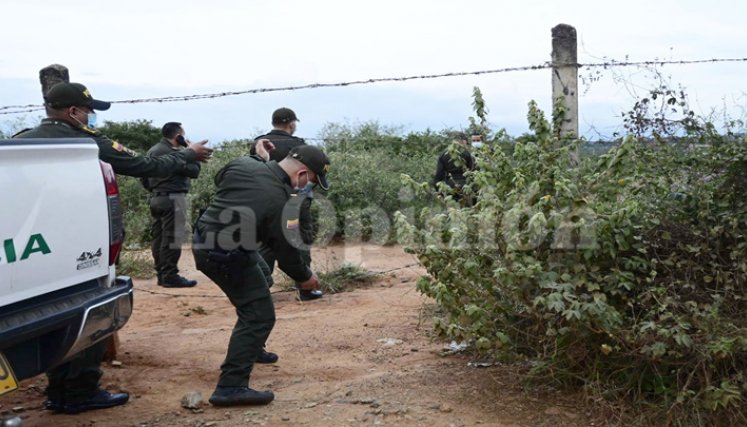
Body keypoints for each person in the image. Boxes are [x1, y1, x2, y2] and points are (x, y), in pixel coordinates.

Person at [13, 82, 213, 414]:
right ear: (73, 112)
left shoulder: (21, 141)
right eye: (89, 111)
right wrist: (188, 154)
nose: (92, 117)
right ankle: (77, 393)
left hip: (31, 250)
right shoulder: (87, 143)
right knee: (86, 314)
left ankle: (60, 391)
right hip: (79, 243)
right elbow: (147, 167)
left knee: (48, 312)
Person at [192, 143, 330, 407]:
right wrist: (305, 277)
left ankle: (251, 348)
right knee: (259, 315)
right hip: (225, 256)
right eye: (312, 180)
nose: (307, 186)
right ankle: (230, 387)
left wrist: (261, 159)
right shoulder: (282, 203)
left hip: (207, 240)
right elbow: (287, 252)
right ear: (302, 174)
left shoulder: (245, 164)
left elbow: (220, 176)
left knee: (263, 274)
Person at [252, 108, 323, 302]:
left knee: (264, 243)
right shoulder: (298, 145)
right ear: (291, 123)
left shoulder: (259, 143)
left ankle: (261, 289)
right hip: (295, 201)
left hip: (266, 201)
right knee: (300, 240)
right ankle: (305, 288)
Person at [145, 122, 203, 288]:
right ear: (179, 136)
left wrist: (155, 189)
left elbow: (143, 175)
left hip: (156, 198)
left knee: (159, 237)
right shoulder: (173, 153)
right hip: (173, 198)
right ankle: (170, 275)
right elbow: (194, 171)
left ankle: (161, 274)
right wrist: (192, 152)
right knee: (172, 238)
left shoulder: (153, 150)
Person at [432, 132, 476, 202]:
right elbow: (473, 171)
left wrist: (439, 192)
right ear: (464, 141)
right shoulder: (467, 153)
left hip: (450, 186)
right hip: (467, 186)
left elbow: (438, 175)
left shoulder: (444, 154)